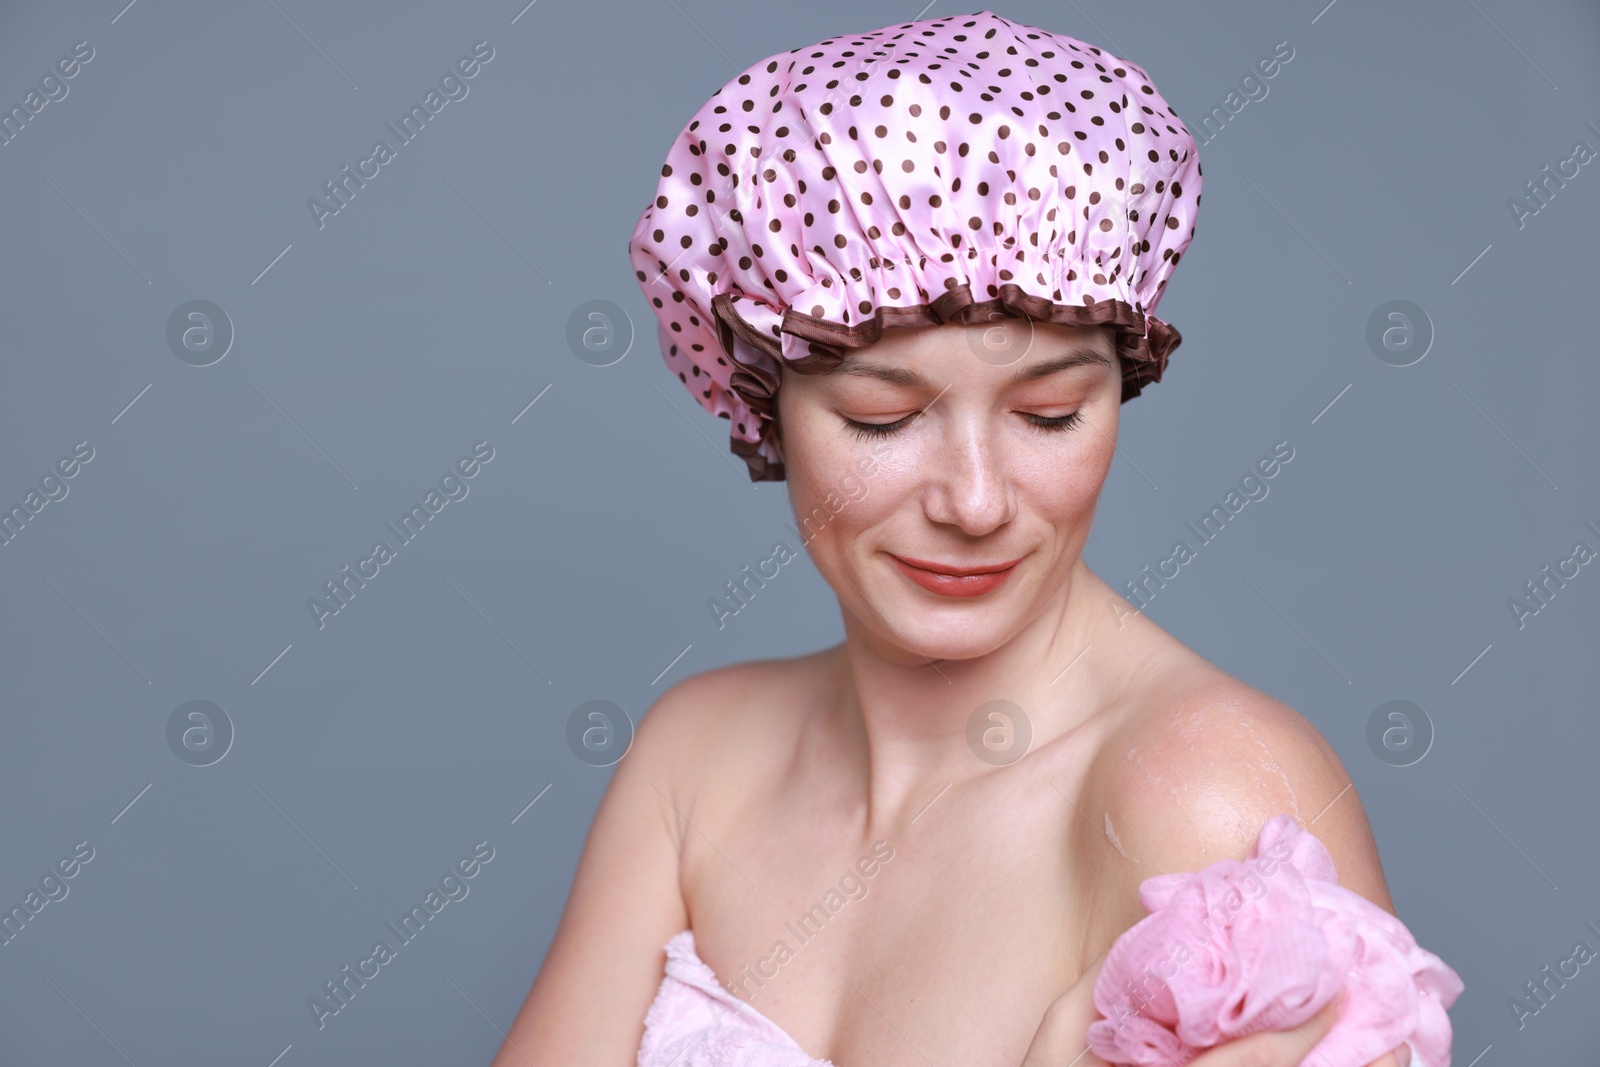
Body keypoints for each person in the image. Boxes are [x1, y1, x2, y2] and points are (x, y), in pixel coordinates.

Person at [492, 10, 1424, 1066]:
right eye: (881, 421)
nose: (975, 502)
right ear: (762, 405)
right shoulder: (698, 757)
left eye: (1050, 413)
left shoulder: (1209, 801)